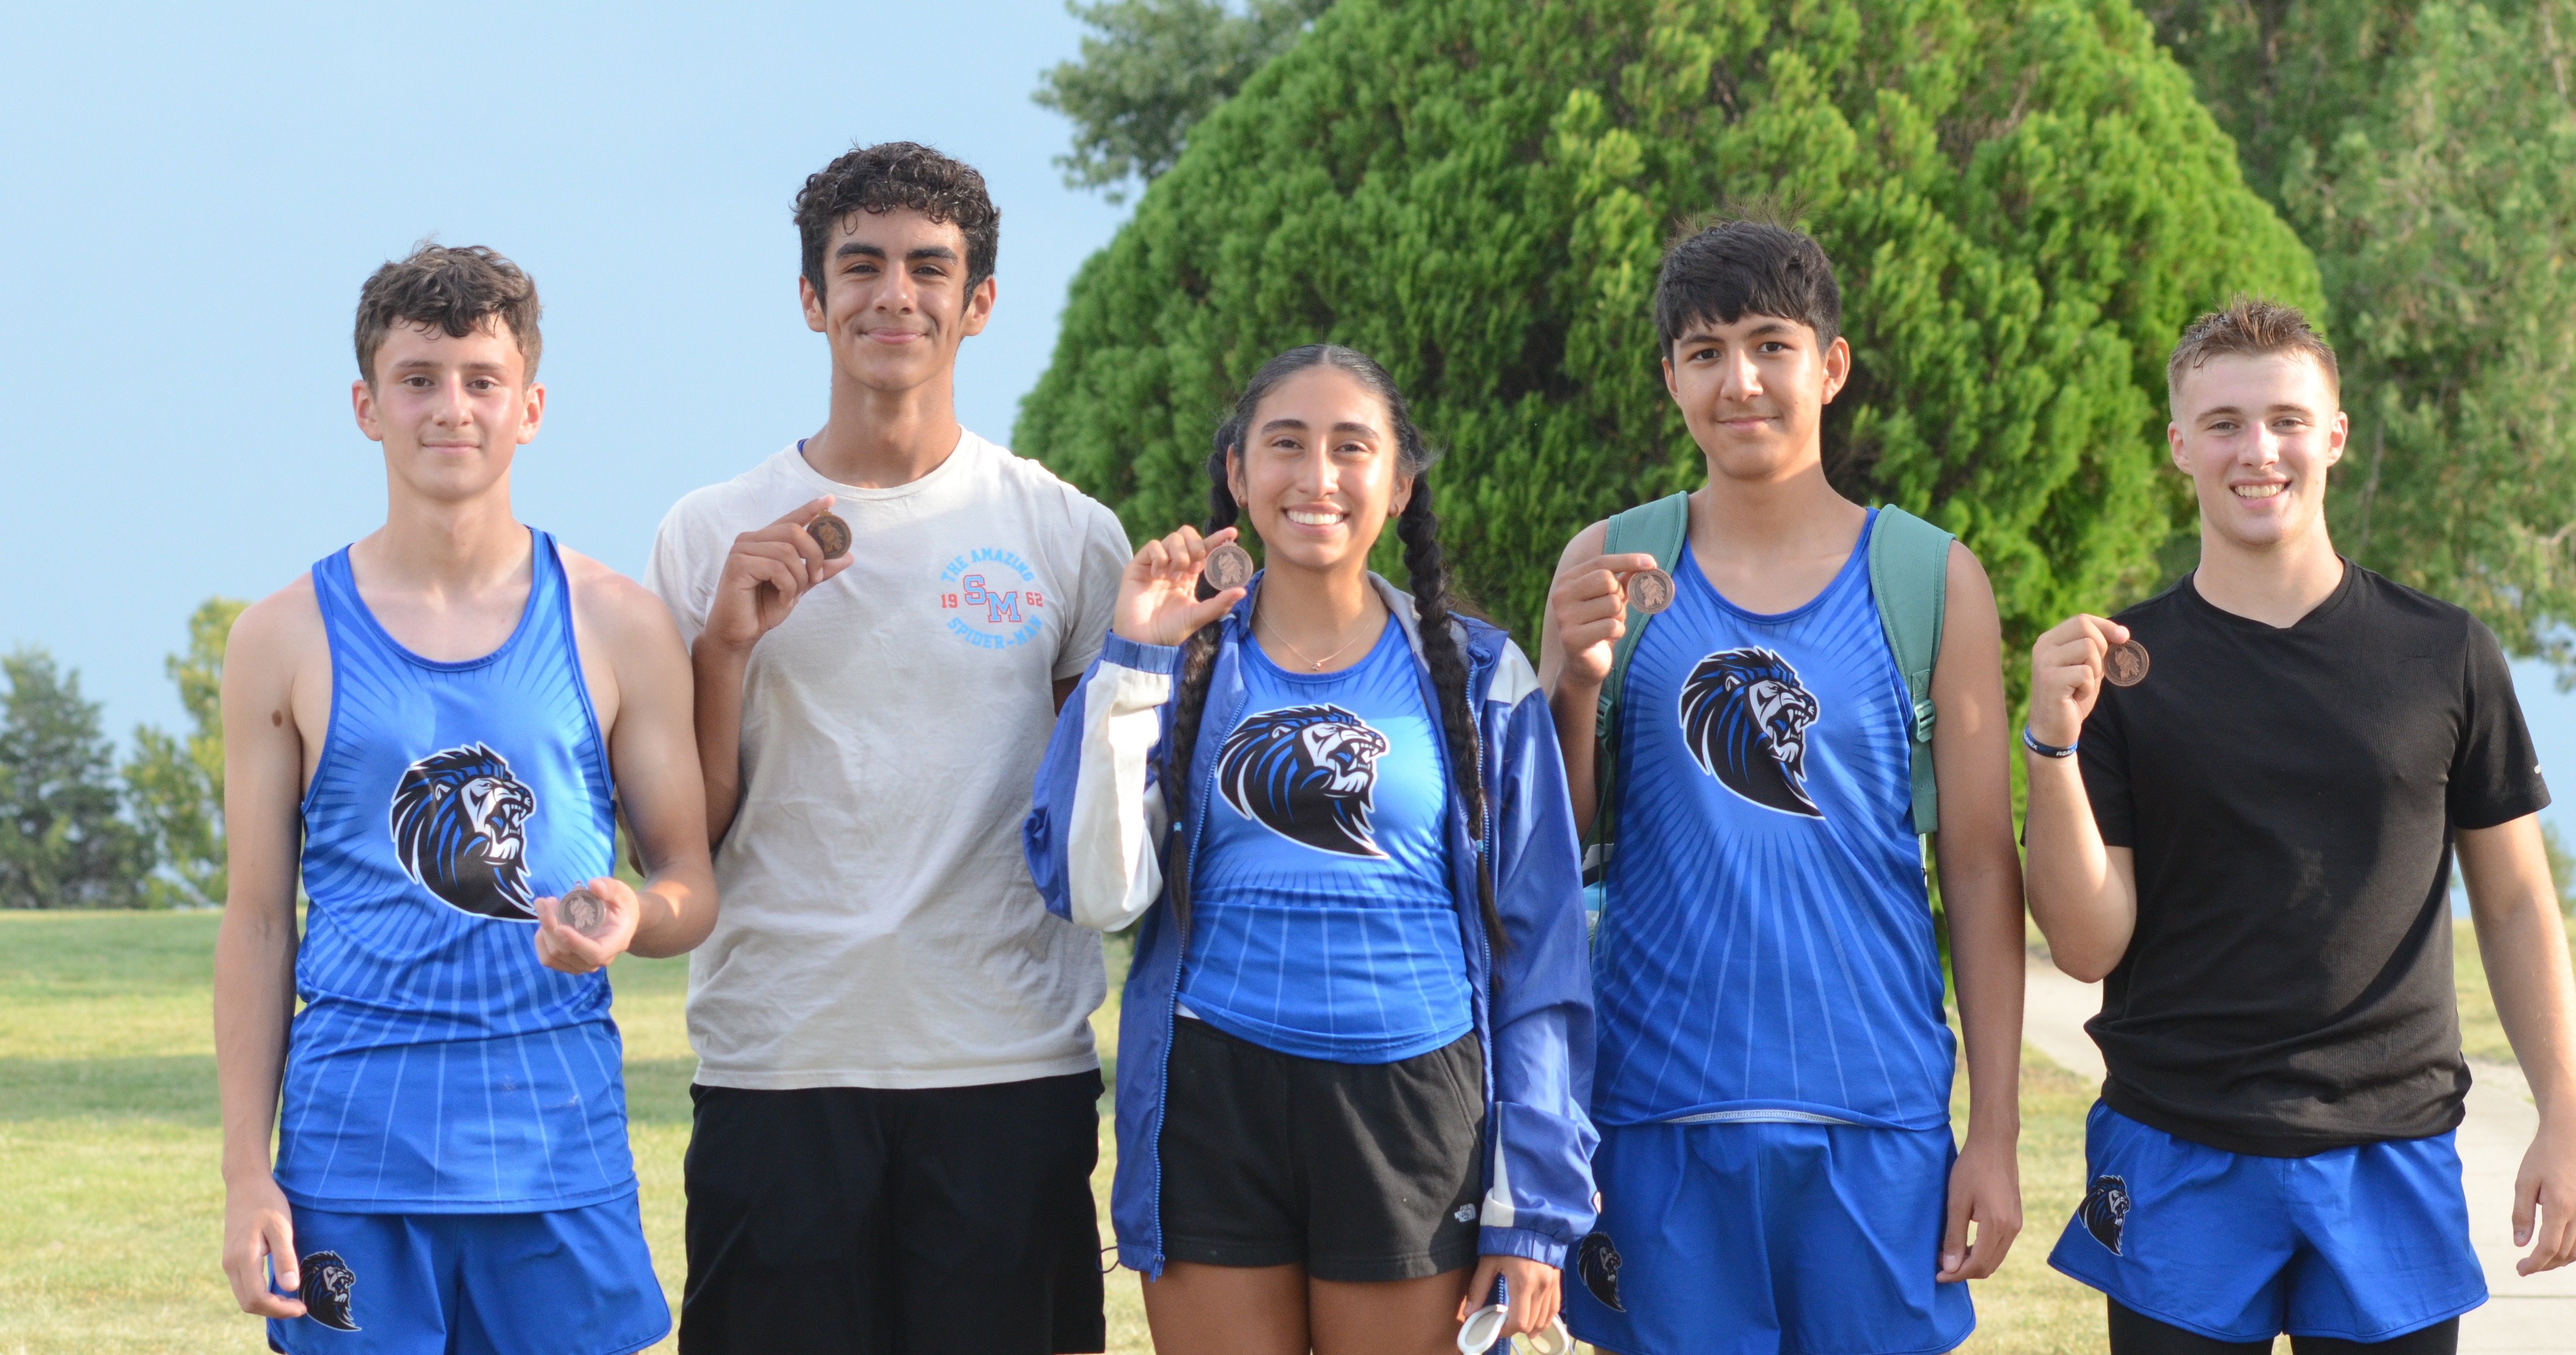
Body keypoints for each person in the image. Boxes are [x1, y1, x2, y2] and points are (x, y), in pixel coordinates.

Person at [644, 142, 1131, 1354]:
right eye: (859, 267)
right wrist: (721, 651)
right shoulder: (708, 533)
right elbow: (681, 841)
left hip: (1005, 1061)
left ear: (978, 303)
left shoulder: (1066, 533)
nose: (893, 296)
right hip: (779, 1059)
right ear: (812, 298)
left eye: (929, 268)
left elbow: (1100, 838)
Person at [2025, 296, 2576, 1353]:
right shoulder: (2118, 670)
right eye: (2223, 423)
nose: (2257, 449)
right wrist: (2048, 749)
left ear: (2333, 434)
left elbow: (2511, 903)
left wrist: (2561, 1108)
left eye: (2285, 418)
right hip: (2175, 1144)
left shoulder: (2446, 655)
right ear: (2178, 446)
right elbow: (2089, 942)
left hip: (2390, 1148)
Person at [1023, 344, 1598, 1354]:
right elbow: (1093, 893)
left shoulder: (1480, 675)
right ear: (1240, 476)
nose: (1317, 476)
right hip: (1214, 1098)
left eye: (1351, 447)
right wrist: (1134, 662)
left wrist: (1533, 1207)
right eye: (1284, 445)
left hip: (1416, 1104)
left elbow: (1543, 958)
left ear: (1399, 483)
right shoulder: (1176, 657)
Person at [214, 242, 717, 1355]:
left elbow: (688, 880)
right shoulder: (280, 637)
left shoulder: (618, 622)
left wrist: (635, 917)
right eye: (420, 378)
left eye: (482, 381)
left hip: (556, 1154)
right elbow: (256, 921)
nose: (452, 408)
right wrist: (248, 1173)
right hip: (352, 1163)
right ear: (367, 405)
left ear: (529, 406)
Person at [1540, 219, 2028, 1355]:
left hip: (1877, 1116)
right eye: (1704, 353)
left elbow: (1975, 866)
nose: (1740, 381)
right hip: (1657, 1114)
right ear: (1669, 378)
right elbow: (1553, 850)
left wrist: (1993, 1132)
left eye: (1770, 344)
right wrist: (1573, 685)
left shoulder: (1931, 578)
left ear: (1831, 364)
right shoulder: (1607, 562)